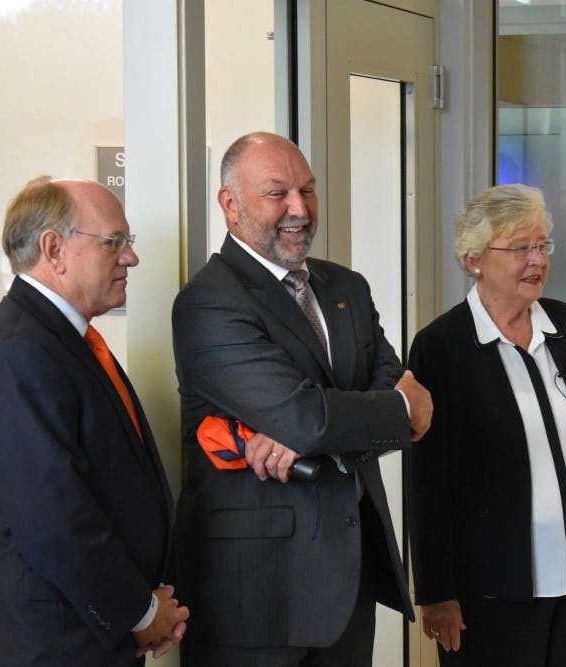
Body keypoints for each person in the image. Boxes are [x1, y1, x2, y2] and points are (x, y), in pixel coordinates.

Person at [171, 131, 433, 667]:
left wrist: (311, 429)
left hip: (348, 577)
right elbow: (308, 416)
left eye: (308, 191)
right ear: (230, 204)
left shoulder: (347, 288)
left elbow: (372, 390)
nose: (299, 209)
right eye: (278, 193)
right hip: (255, 595)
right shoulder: (208, 302)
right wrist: (397, 410)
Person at [406, 184, 566, 666]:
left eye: (542, 246)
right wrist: (436, 592)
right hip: (492, 594)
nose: (536, 260)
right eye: (520, 248)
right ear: (473, 259)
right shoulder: (441, 346)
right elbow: (427, 483)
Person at [0, 176, 189, 665]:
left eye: (129, 242)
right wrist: (141, 615)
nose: (131, 258)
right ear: (54, 248)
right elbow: (56, 522)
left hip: (85, 639)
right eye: (114, 242)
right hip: (51, 646)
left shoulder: (62, 340)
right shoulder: (17, 353)